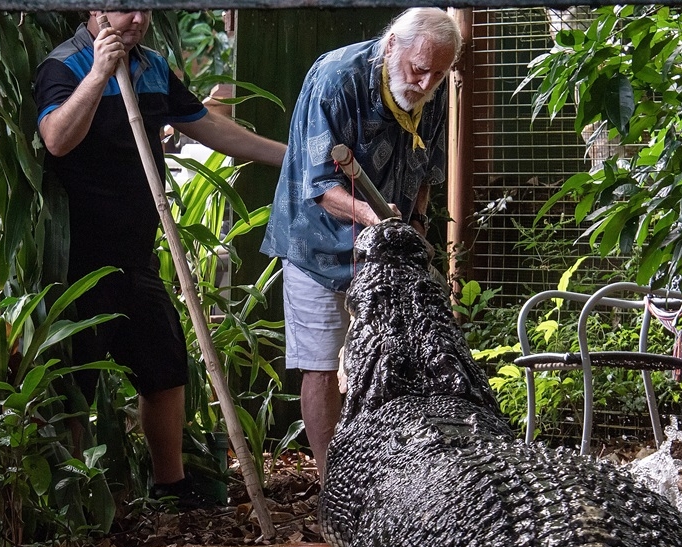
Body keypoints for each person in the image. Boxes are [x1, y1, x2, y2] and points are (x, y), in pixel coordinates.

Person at [34, 11, 286, 507]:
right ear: (95, 11)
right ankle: (70, 504)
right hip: (76, 262)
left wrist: (288, 155)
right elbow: (57, 139)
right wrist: (99, 75)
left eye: (146, 7)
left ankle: (171, 487)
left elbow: (205, 125)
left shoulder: (150, 65)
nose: (139, 18)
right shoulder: (63, 65)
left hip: (136, 254)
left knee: (165, 368)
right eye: (126, 7)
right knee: (73, 381)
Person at [260, 8, 462, 483]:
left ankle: (392, 479)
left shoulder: (431, 88)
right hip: (317, 242)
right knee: (320, 363)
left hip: (389, 248)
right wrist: (376, 220)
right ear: (392, 44)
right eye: (419, 68)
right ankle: (334, 486)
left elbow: (427, 168)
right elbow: (321, 183)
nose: (426, 81)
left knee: (396, 355)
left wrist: (414, 224)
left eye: (440, 72)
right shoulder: (334, 79)